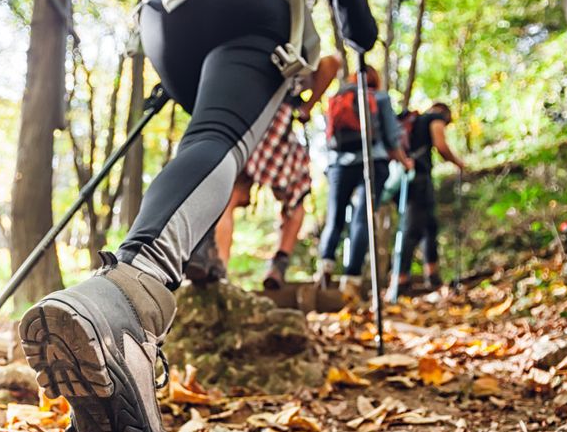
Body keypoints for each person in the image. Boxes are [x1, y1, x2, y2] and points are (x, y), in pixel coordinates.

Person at [19, 0, 377, 432]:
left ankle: (191, 263)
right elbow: (350, 5)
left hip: (168, 6)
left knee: (205, 136)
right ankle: (130, 299)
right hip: (251, 4)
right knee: (218, 139)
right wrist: (361, 38)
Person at [194, 54, 341, 290]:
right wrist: (307, 106)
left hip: (243, 122)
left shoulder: (243, 56)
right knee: (295, 198)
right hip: (278, 126)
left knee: (228, 198)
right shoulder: (292, 49)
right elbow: (332, 62)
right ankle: (278, 264)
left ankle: (217, 265)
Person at [315, 66, 412, 299]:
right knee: (362, 218)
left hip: (339, 164)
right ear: (375, 80)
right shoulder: (380, 98)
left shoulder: (338, 97)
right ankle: (351, 280)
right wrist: (404, 161)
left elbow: (327, 139)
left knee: (335, 218)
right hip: (373, 162)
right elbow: (391, 136)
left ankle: (324, 267)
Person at [386, 102, 466, 298]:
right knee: (411, 228)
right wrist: (458, 163)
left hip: (404, 179)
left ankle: (432, 276)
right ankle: (400, 280)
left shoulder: (412, 123)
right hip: (418, 178)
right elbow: (440, 145)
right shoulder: (434, 118)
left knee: (429, 225)